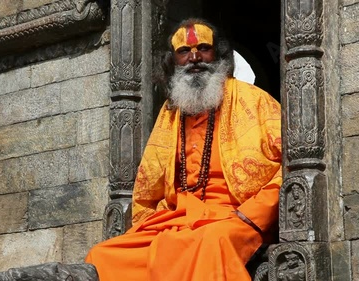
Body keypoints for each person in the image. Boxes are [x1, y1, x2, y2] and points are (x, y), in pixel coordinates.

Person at [85, 18, 282, 281]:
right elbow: (147, 190)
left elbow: (290, 165)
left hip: (234, 218)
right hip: (177, 219)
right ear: (173, 61)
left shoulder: (254, 101)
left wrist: (252, 214)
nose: (195, 57)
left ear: (218, 54)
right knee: (104, 255)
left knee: (213, 243)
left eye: (203, 48)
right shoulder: (170, 113)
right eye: (184, 51)